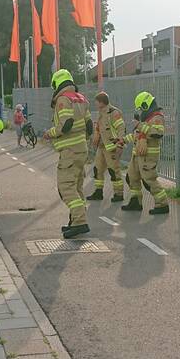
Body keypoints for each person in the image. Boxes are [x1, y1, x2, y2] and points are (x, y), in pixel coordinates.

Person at [42, 69, 92, 239]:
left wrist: (49, 133)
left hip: (70, 152)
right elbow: (89, 125)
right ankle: (75, 220)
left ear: (56, 83)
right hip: (82, 149)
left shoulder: (63, 100)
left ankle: (79, 222)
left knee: (66, 188)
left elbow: (65, 125)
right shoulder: (82, 98)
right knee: (77, 187)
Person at [121, 91, 169, 215]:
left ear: (146, 105)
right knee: (132, 177)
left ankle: (162, 204)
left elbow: (157, 133)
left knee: (149, 179)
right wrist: (123, 140)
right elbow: (137, 135)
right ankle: (136, 202)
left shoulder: (157, 117)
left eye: (141, 108)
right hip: (138, 155)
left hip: (149, 156)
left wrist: (141, 125)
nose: (140, 111)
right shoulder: (147, 118)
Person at [86, 91, 125, 203]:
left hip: (111, 148)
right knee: (97, 169)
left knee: (114, 170)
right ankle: (98, 192)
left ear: (102, 102)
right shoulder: (102, 113)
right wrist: (96, 137)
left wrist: (119, 145)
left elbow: (121, 129)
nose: (96, 104)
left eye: (97, 102)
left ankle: (119, 193)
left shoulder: (114, 113)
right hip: (102, 147)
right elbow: (100, 128)